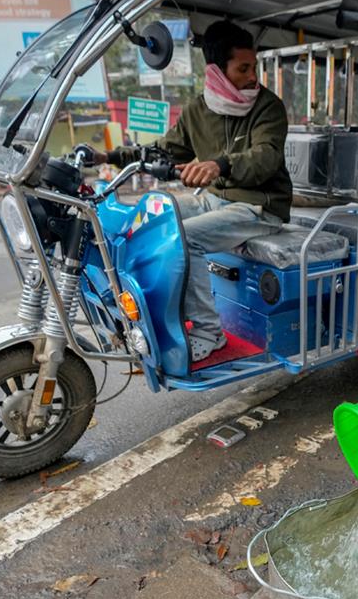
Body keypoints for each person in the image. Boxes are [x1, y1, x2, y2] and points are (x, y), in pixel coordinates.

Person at [92, 20, 292, 362]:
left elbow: (266, 157)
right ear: (217, 71)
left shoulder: (268, 107)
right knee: (145, 221)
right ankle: (146, 312)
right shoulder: (199, 110)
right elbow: (164, 150)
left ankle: (208, 332)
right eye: (243, 69)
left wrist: (219, 165)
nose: (252, 77)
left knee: (186, 238)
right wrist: (109, 156)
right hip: (214, 199)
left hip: (259, 207)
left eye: (253, 67)